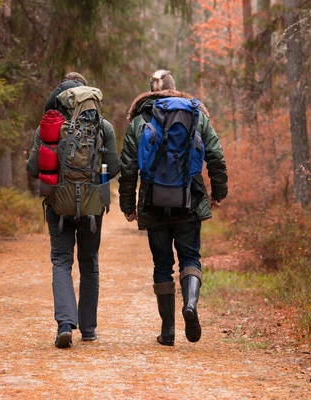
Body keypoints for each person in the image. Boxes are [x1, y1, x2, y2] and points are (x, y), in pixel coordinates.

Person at [118, 70, 228, 345]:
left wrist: (128, 205)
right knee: (190, 258)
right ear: (175, 88)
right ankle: (190, 306)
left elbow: (129, 167)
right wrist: (218, 193)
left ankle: (167, 332)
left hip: (153, 200)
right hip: (188, 198)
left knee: (162, 265)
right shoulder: (195, 115)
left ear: (150, 91)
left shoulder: (140, 119)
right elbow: (215, 155)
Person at [27, 72, 120, 348]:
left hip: (58, 205)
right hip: (92, 206)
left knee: (61, 262)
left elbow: (33, 168)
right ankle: (88, 329)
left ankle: (65, 325)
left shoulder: (48, 127)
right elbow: (114, 168)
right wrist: (96, 179)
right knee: (89, 264)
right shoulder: (103, 127)